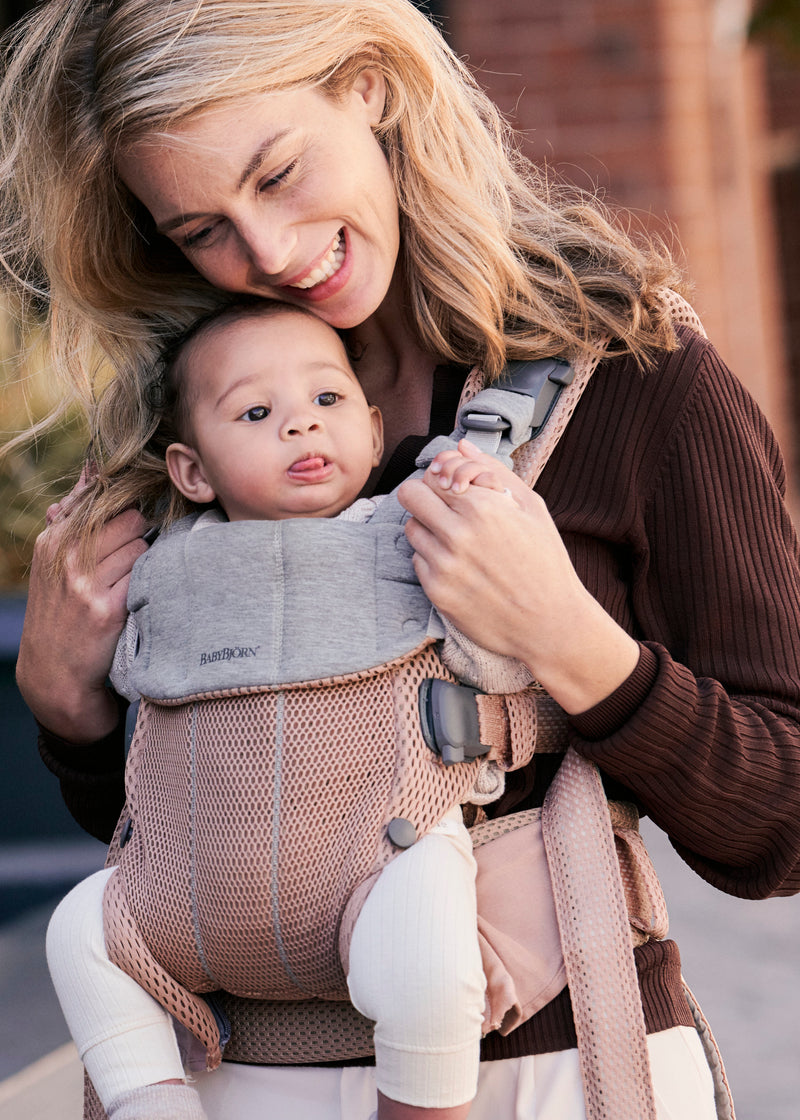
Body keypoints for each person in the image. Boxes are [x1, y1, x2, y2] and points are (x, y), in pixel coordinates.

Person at [2, 0, 800, 1117]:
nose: (266, 254)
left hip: (546, 1072)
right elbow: (194, 837)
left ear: (368, 82)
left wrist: (578, 650)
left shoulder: (633, 380)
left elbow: (779, 827)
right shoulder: (196, 423)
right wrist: (65, 705)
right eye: (200, 230)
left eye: (277, 173)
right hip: (233, 1079)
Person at [46, 295, 533, 1120]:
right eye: (257, 412)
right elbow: (125, 683)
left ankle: (421, 1108)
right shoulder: (167, 564)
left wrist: (492, 507)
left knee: (428, 941)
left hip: (373, 863)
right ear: (192, 472)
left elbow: (495, 661)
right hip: (179, 895)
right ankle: (150, 1103)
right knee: (79, 928)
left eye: (327, 400)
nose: (301, 426)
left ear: (375, 434)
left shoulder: (410, 534)